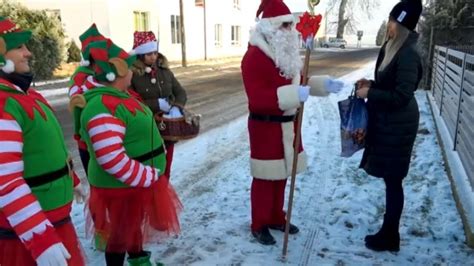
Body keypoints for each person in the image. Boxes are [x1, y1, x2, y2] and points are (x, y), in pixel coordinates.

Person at [241, 0, 344, 245]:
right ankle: (259, 223)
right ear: (269, 27)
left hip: (288, 124)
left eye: (290, 25)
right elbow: (257, 98)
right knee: (266, 177)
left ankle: (277, 216)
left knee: (282, 174)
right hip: (265, 126)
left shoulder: (284, 54)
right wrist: (293, 95)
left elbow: (300, 79)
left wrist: (321, 85)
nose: (289, 31)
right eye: (284, 26)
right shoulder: (254, 57)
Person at [79, 39, 182, 265]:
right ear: (116, 73)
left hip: (131, 183)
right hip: (122, 186)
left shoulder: (120, 97)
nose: (133, 70)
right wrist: (148, 176)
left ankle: (138, 260)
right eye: (128, 66)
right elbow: (111, 159)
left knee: (132, 226)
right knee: (119, 235)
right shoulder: (104, 106)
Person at [0, 17, 85, 265]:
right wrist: (40, 239)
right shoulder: (4, 105)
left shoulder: (28, 95)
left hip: (51, 217)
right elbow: (5, 179)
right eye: (19, 47)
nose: (28, 53)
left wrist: (72, 178)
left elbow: (51, 146)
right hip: (26, 233)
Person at [355, 0, 423, 252]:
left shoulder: (407, 53)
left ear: (403, 25)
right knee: (391, 180)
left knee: (394, 180)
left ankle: (390, 236)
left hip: (399, 124)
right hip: (390, 122)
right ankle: (388, 232)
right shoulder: (393, 48)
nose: (389, 25)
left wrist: (370, 95)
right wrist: (371, 85)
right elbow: (390, 85)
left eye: (393, 21)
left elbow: (401, 95)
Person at [130, 31, 187, 180]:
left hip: (167, 127)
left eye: (155, 52)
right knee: (151, 167)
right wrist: (156, 104)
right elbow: (131, 102)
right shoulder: (133, 75)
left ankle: (164, 188)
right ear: (140, 55)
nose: (153, 57)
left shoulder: (165, 72)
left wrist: (177, 107)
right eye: (148, 54)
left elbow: (180, 92)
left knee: (166, 165)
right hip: (146, 129)